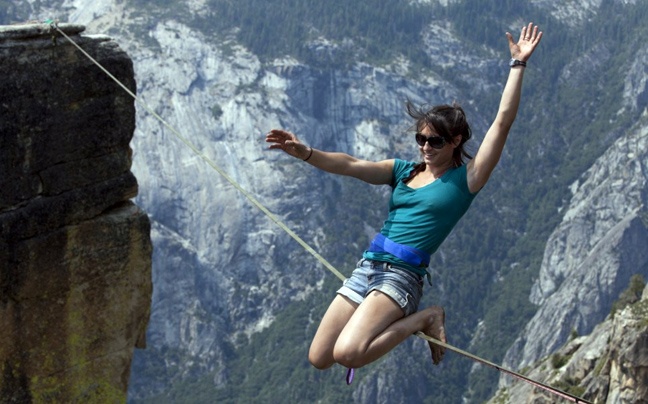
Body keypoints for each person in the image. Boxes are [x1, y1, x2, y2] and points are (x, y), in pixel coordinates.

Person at [265, 23, 543, 372]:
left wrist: (517, 66)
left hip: (402, 276)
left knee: (347, 354)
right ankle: (416, 317)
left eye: (435, 142)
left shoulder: (465, 181)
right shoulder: (403, 171)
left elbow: (502, 122)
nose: (425, 147)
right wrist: (306, 153)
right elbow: (352, 165)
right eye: (421, 140)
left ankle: (426, 317)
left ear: (456, 141)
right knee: (319, 357)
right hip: (368, 266)